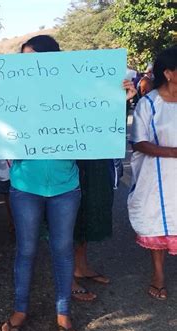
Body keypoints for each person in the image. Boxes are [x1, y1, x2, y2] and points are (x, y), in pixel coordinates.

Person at [0, 35, 80, 331]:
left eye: (32, 58)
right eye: (23, 59)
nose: (26, 66)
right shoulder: (12, 94)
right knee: (26, 249)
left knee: (62, 249)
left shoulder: (72, 93)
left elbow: (96, 122)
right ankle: (20, 309)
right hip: (25, 185)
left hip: (65, 186)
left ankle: (63, 313)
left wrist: (117, 102)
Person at [72, 79, 138, 302]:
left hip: (93, 160)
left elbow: (105, 120)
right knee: (64, 223)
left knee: (87, 213)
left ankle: (81, 267)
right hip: (62, 167)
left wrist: (123, 100)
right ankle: (68, 278)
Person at [128, 45, 177, 301]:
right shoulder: (148, 104)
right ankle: (158, 275)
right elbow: (138, 142)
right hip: (156, 177)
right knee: (157, 222)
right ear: (169, 73)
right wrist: (172, 153)